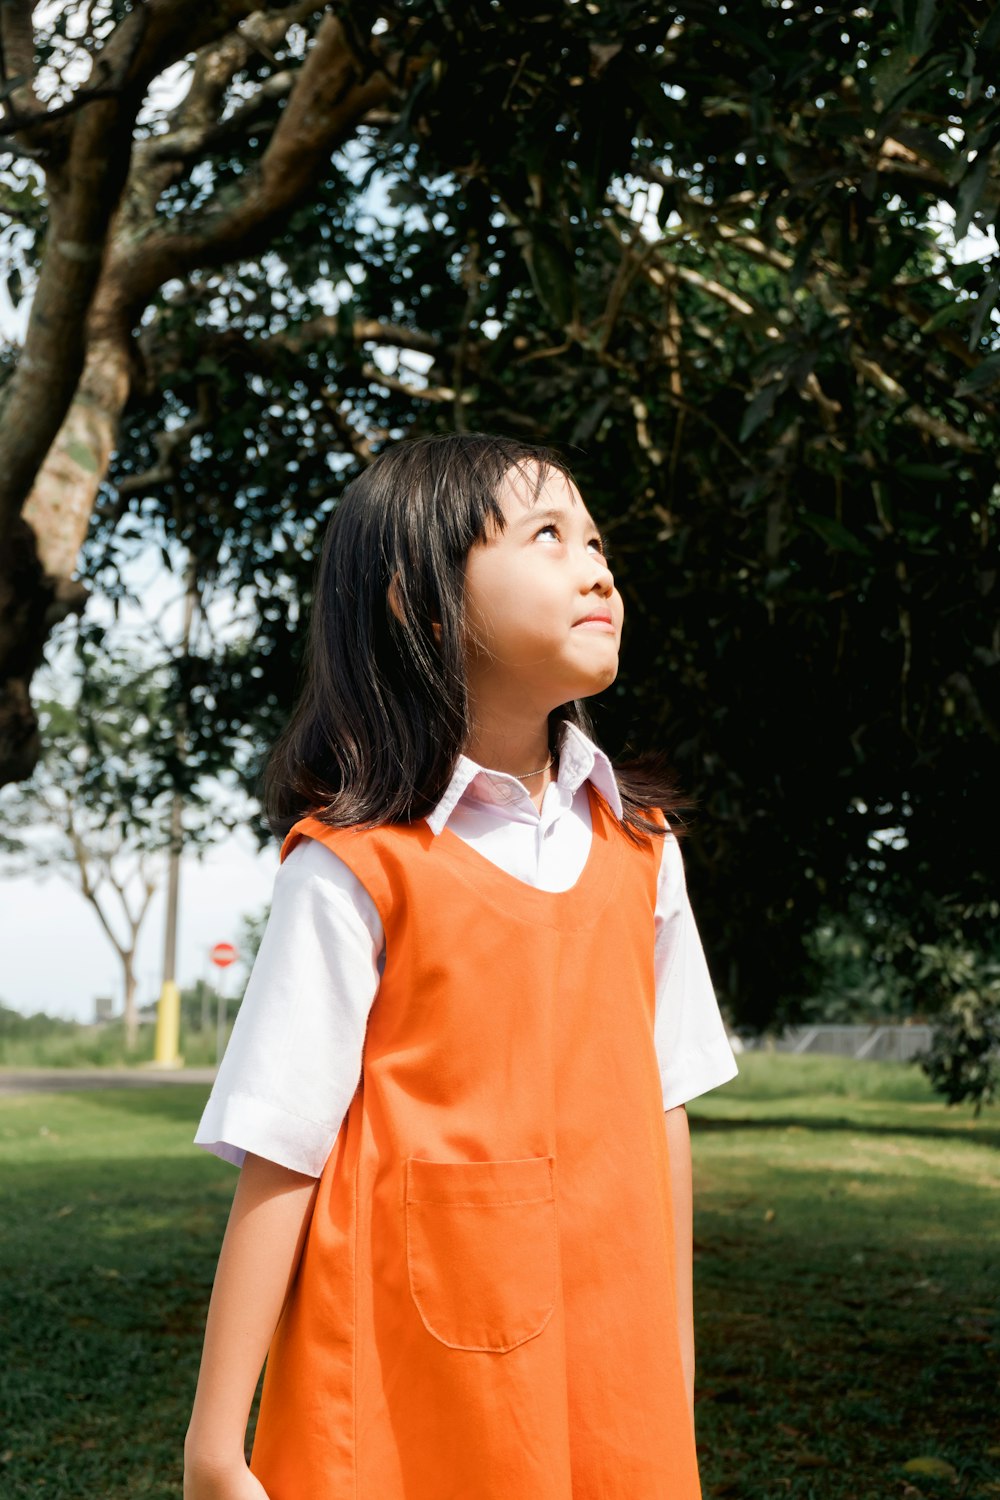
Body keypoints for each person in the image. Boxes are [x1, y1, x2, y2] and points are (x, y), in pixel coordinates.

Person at [184, 433, 739, 1500]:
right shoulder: (355, 869)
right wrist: (217, 1444)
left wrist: (674, 1361)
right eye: (546, 536)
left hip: (609, 1382)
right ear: (420, 604)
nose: (596, 566)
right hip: (399, 1380)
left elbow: (664, 1112)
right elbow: (279, 1146)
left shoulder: (643, 850)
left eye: (595, 539)